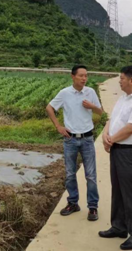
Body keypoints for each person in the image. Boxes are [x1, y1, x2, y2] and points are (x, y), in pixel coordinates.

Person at [98, 66, 132, 251]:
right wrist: (105, 135)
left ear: (131, 80)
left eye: (121, 78)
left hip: (130, 153)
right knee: (118, 190)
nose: (119, 81)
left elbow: (131, 128)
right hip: (117, 150)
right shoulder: (123, 99)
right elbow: (111, 120)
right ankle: (119, 227)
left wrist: (111, 140)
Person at [46, 65, 103, 221]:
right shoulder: (65, 93)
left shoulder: (90, 92)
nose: (84, 78)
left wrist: (92, 106)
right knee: (70, 174)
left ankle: (93, 207)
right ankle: (73, 203)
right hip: (70, 139)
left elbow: (100, 112)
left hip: (87, 139)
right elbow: (49, 108)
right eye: (81, 75)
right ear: (73, 76)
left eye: (86, 76)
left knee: (91, 175)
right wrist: (58, 126)